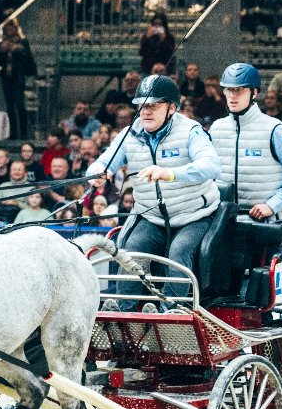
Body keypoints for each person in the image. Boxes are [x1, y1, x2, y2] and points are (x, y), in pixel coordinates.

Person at [86, 74, 221, 297]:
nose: (145, 111)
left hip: (195, 215)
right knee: (130, 251)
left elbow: (212, 166)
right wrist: (98, 173)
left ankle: (172, 311)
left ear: (171, 108)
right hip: (151, 216)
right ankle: (125, 310)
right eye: (141, 105)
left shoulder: (191, 130)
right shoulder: (128, 134)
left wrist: (169, 174)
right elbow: (103, 162)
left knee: (179, 253)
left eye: (152, 105)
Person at [208, 62, 282, 269]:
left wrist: (271, 205)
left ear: (254, 92)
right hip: (224, 222)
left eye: (239, 90)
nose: (233, 96)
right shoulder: (217, 128)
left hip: (265, 225)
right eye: (229, 90)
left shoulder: (275, 129)